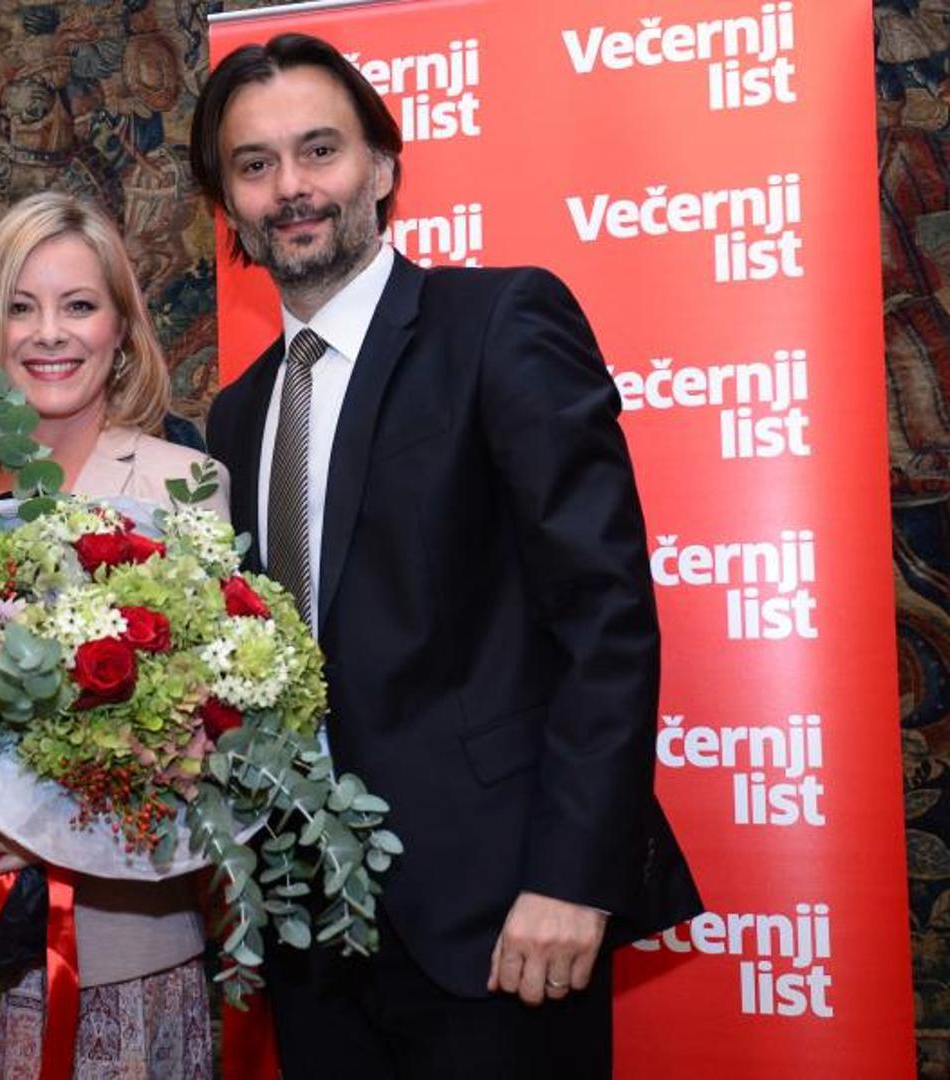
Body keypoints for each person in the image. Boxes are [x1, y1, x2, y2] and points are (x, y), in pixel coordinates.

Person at [190, 34, 702, 1079]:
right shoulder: (236, 417)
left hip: (503, 922)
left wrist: (573, 879)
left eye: (320, 150)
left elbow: (604, 618)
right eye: (254, 165)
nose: (291, 188)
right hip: (310, 939)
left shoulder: (498, 323)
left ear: (381, 166)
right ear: (228, 204)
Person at [0, 192, 222, 1078]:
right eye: (20, 307)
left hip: (124, 959)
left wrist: (39, 823)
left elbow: (209, 736)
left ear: (120, 330)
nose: (49, 333)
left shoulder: (184, 486)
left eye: (78, 305)